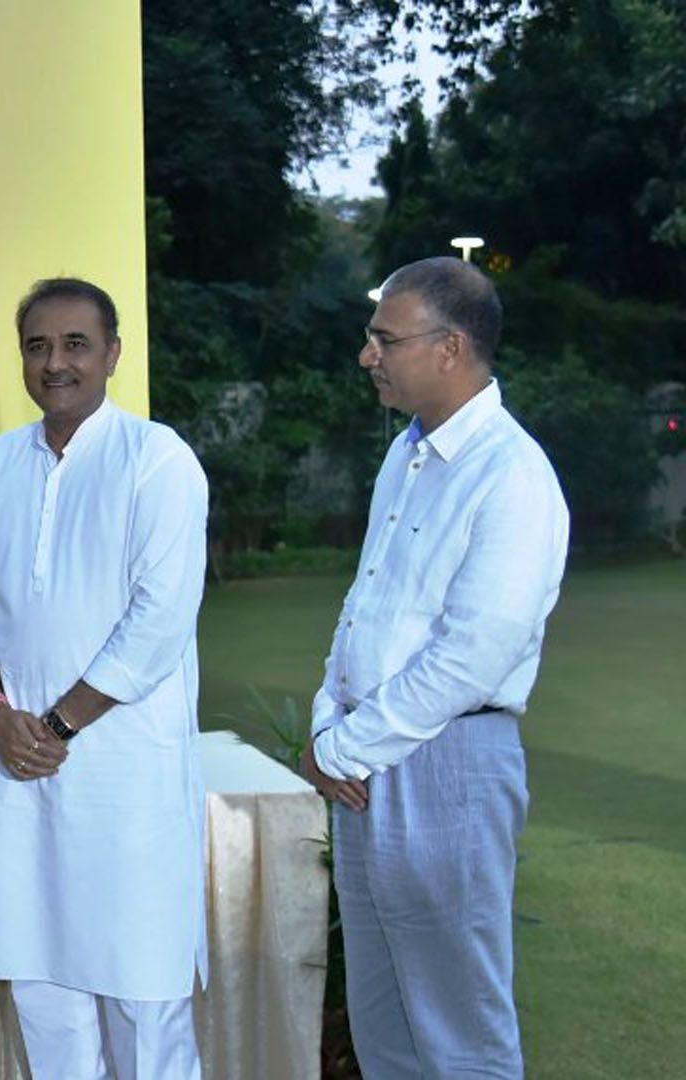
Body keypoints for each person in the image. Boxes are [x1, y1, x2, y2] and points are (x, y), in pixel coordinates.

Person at [301, 257, 568, 1078]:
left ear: (450, 347)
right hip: (370, 760)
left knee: (460, 1030)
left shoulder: (513, 476)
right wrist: (326, 716)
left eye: (386, 337)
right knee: (385, 1028)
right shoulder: (406, 457)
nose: (367, 355)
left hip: (449, 762)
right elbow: (366, 608)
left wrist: (342, 749)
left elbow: (469, 655)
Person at [0, 278, 209, 1080]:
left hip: (125, 778)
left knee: (145, 1007)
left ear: (113, 354)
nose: (55, 362)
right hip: (20, 773)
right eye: (37, 345)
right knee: (43, 997)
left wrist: (53, 727)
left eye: (75, 344)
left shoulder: (156, 459)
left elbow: (158, 621)